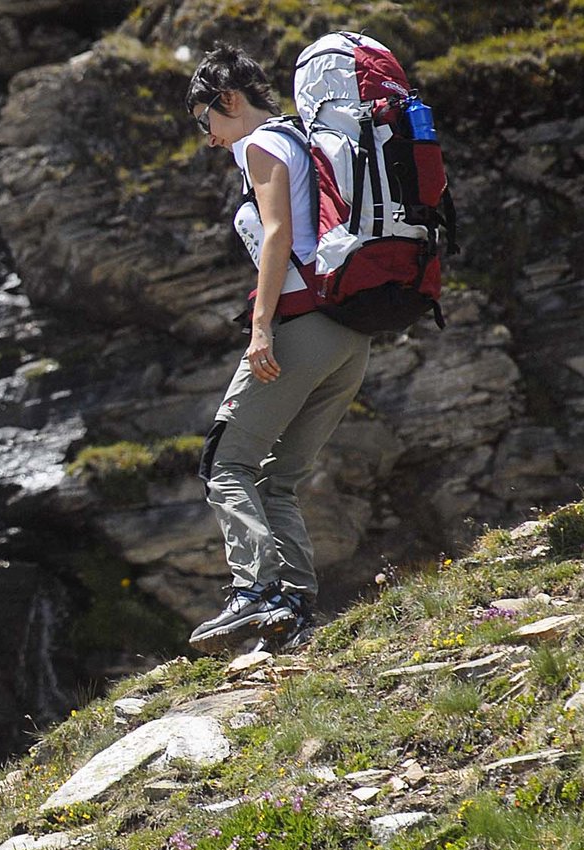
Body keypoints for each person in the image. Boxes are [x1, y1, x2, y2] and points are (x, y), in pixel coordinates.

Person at [183, 44, 374, 655]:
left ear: (229, 101)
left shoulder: (259, 145)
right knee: (279, 479)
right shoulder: (303, 139)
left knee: (225, 463)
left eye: (204, 118)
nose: (208, 137)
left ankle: (256, 591)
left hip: (301, 328)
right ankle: (292, 607)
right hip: (350, 335)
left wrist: (260, 326)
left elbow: (275, 234)